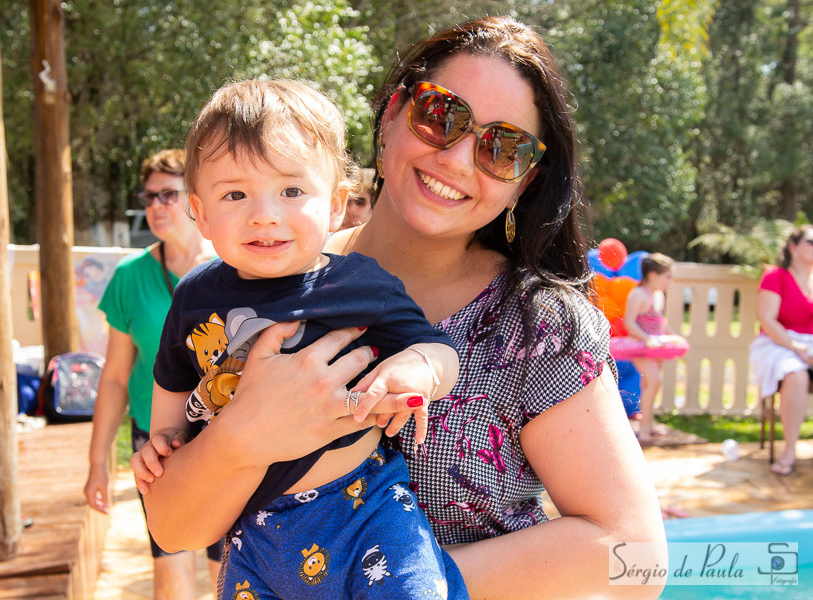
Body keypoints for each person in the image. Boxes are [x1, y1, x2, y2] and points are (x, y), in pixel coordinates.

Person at [134, 17, 666, 599]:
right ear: (391, 115)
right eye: (442, 115)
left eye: (503, 147)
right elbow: (173, 526)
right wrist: (242, 435)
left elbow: (637, 559)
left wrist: (391, 581)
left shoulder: (540, 324)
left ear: (524, 181)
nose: (460, 159)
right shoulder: (239, 283)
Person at [148, 79, 466, 599]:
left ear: (337, 204)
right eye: (235, 193)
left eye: (292, 191)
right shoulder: (192, 298)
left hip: (367, 513)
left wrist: (417, 372)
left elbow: (438, 350)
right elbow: (172, 407)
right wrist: (163, 446)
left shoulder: (360, 285)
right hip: (252, 530)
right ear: (200, 213)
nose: (265, 214)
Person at [82, 149, 223, 598]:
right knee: (172, 568)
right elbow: (114, 378)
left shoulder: (235, 264)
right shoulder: (129, 275)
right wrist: (97, 464)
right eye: (149, 197)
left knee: (231, 571)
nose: (156, 205)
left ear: (195, 200)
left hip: (226, 437)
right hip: (157, 444)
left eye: (169, 194)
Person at [749, 225, 813, 476]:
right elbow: (768, 319)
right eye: (811, 242)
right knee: (795, 373)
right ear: (793, 248)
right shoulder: (775, 276)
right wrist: (796, 347)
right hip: (777, 343)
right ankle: (789, 450)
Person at [622, 253, 687, 444]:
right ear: (653, 275)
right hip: (641, 347)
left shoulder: (658, 295)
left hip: (656, 347)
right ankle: (643, 429)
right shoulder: (638, 294)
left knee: (648, 384)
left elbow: (660, 320)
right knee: (654, 382)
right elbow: (629, 322)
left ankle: (649, 423)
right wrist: (646, 338)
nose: (670, 281)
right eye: (668, 277)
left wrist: (672, 335)